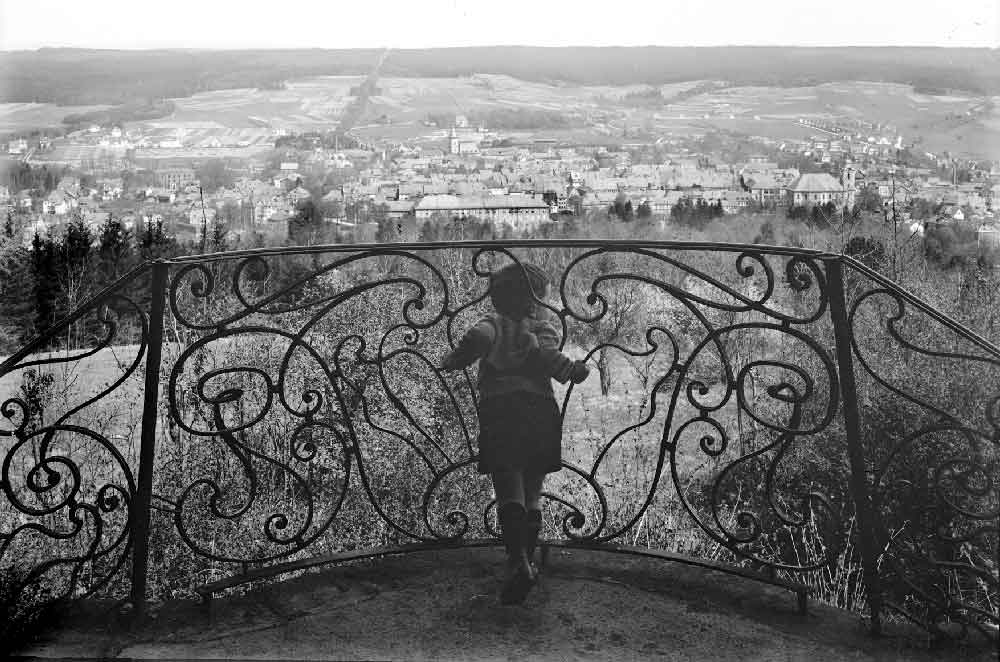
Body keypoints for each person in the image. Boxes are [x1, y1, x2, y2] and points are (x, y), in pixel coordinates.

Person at [440, 262, 590, 605]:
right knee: (533, 489)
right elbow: (553, 360)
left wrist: (455, 359)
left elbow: (477, 339)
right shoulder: (543, 327)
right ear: (536, 300)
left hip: (502, 412)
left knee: (509, 488)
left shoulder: (493, 323)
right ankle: (530, 558)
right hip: (540, 413)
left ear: (497, 298)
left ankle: (517, 562)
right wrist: (576, 371)